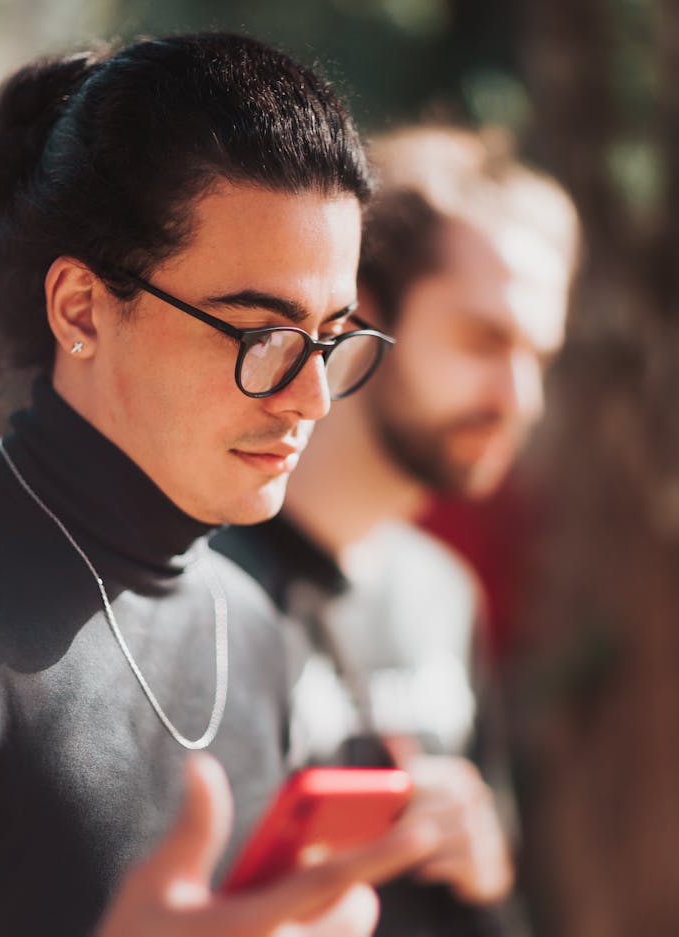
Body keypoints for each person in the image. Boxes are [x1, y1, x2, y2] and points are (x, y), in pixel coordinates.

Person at [0, 35, 442, 937]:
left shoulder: (255, 620)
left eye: (330, 336)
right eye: (262, 334)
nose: (312, 397)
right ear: (82, 308)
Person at [213, 124, 580, 935]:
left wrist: (487, 875)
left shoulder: (445, 596)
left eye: (538, 355)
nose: (522, 398)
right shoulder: (189, 582)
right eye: (486, 339)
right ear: (360, 319)